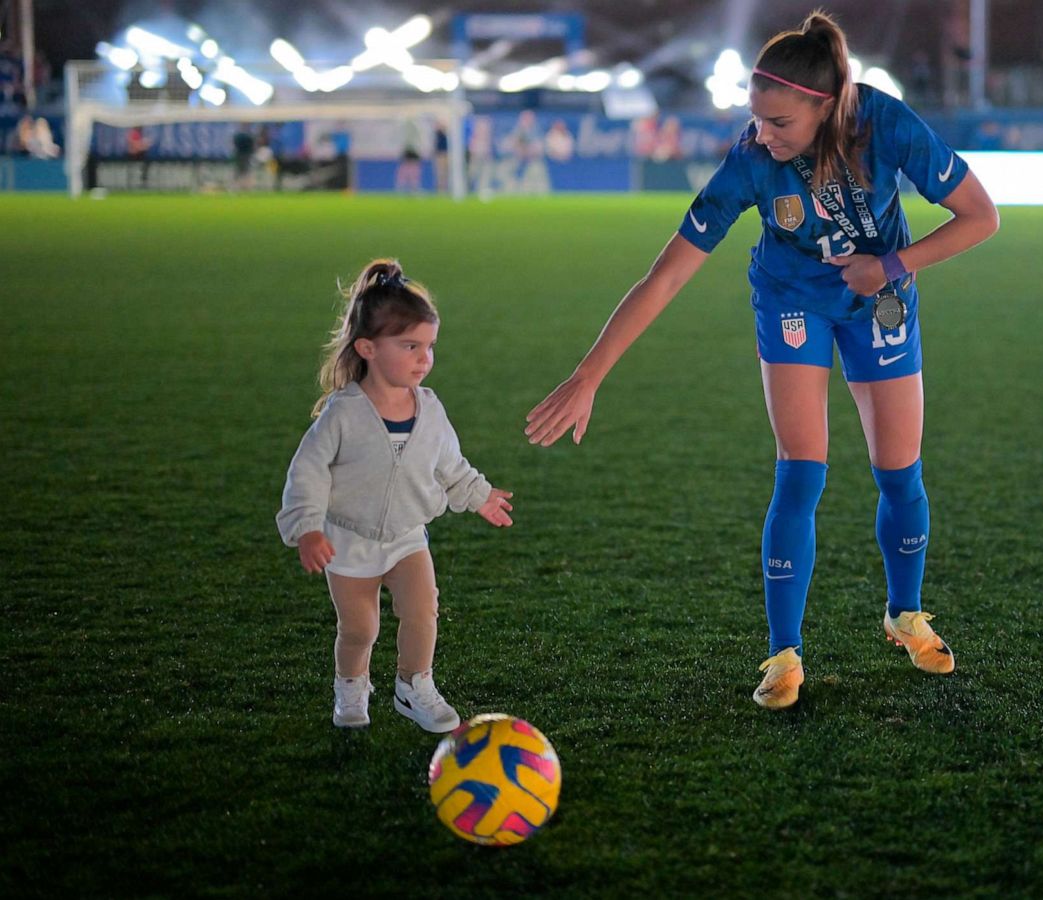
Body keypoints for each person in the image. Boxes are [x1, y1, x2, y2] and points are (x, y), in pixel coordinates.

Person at [524, 11, 999, 710]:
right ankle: (784, 655)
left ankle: (906, 612)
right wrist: (589, 373)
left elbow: (981, 216)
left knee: (900, 472)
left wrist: (890, 264)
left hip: (879, 298)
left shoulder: (885, 124)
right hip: (791, 301)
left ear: (825, 106)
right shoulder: (751, 162)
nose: (761, 134)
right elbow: (666, 275)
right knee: (802, 471)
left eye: (779, 122)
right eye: (757, 118)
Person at [277, 260, 515, 731]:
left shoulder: (430, 409)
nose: (424, 358)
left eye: (429, 346)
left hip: (407, 536)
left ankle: (414, 685)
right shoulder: (342, 414)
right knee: (361, 629)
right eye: (410, 346)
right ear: (367, 348)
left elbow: (451, 466)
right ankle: (350, 689)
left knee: (423, 610)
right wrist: (306, 528)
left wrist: (481, 495)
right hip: (348, 540)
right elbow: (307, 472)